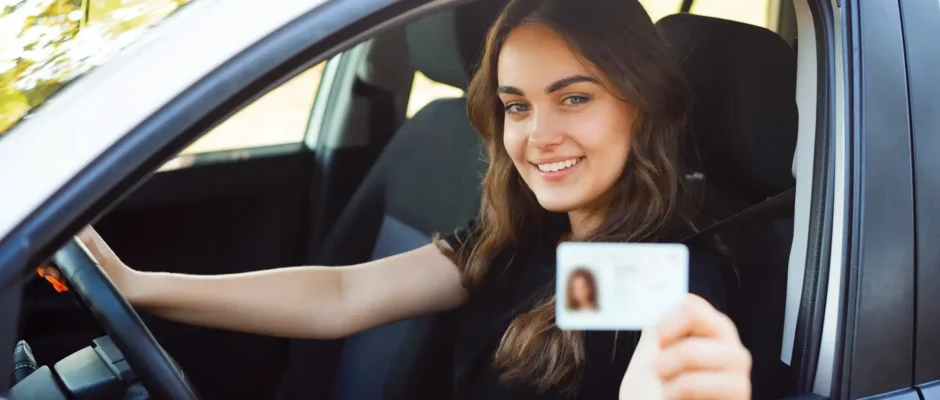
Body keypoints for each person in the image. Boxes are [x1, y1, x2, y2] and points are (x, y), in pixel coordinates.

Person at [40, 0, 752, 398]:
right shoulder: (529, 240)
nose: (540, 136)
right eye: (516, 106)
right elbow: (343, 296)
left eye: (574, 98)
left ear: (642, 103)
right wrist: (137, 287)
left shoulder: (659, 276)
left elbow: (660, 375)